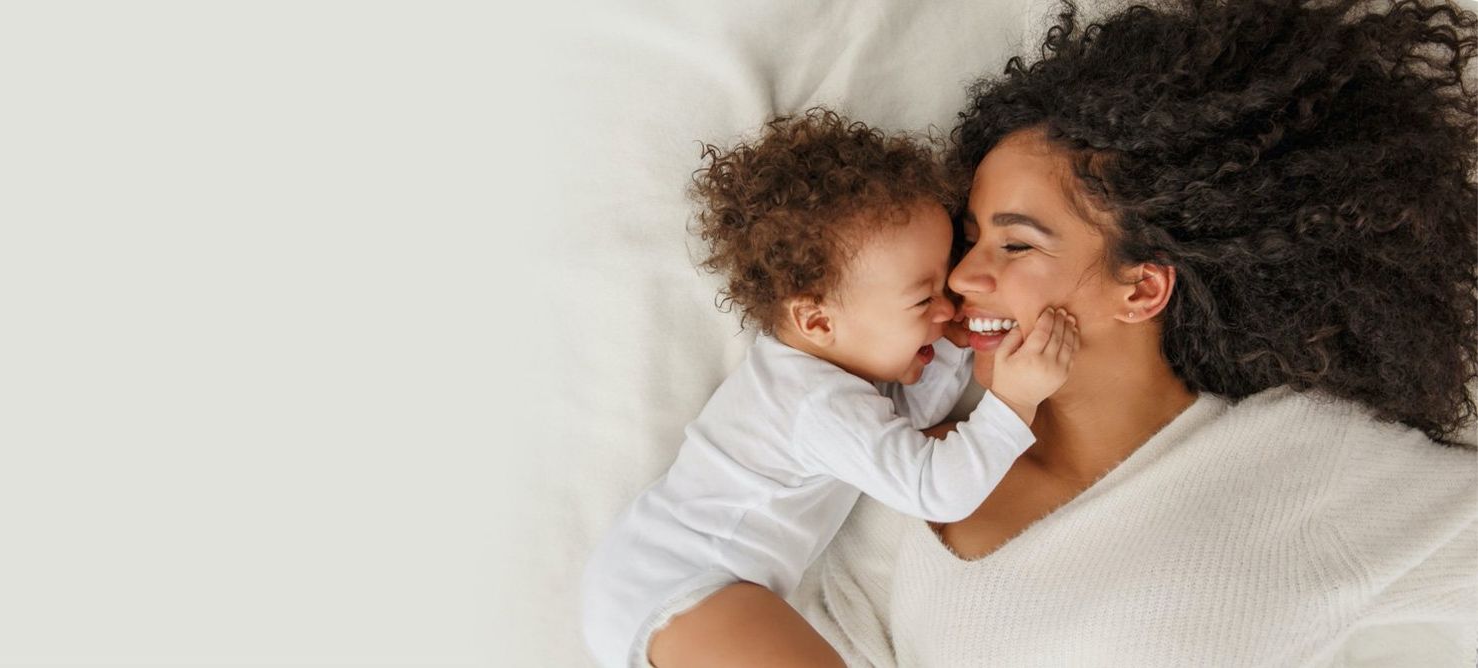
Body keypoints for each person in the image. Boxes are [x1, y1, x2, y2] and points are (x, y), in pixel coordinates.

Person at [784, 0, 1478, 664]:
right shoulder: (912, 458)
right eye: (968, 242)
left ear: (1141, 287)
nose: (963, 278)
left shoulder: (1301, 461)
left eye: (1016, 245)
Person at [579, 109, 1083, 668]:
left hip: (664, 582)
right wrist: (1014, 402)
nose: (949, 308)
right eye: (924, 301)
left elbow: (905, 422)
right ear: (818, 321)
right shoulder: (815, 402)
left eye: (944, 288)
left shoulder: (824, 372)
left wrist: (950, 344)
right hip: (682, 584)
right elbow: (933, 485)